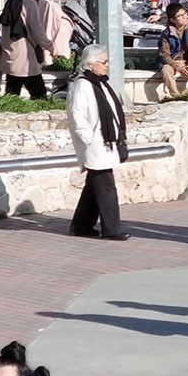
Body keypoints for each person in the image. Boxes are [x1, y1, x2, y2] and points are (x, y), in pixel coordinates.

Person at [64, 46, 128, 240]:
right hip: (96, 144)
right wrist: (88, 140)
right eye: (104, 62)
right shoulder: (83, 85)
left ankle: (81, 226)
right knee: (106, 186)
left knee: (95, 185)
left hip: (105, 143)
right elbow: (77, 116)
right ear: (91, 63)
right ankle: (112, 230)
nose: (107, 66)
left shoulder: (99, 83)